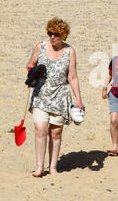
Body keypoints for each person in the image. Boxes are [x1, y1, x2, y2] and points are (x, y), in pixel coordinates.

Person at [26, 17, 84, 177]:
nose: (52, 37)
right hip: (41, 95)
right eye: (50, 33)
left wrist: (78, 98)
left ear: (63, 35)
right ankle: (39, 167)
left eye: (56, 34)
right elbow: (30, 63)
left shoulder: (70, 51)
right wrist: (32, 71)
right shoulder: (41, 46)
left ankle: (53, 167)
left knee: (56, 133)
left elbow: (72, 77)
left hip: (60, 95)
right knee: (40, 129)